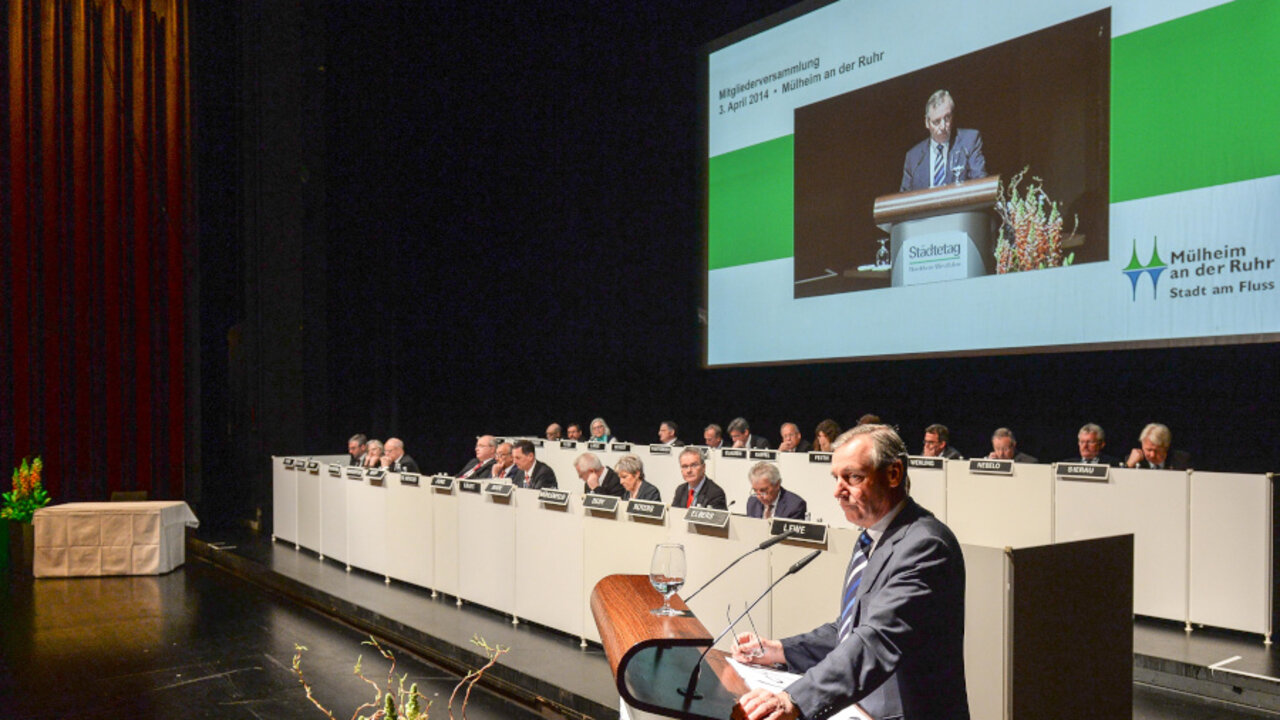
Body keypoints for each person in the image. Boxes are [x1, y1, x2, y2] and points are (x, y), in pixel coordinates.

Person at [734, 424, 969, 720]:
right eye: (836, 478)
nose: (837, 491)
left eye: (853, 477)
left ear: (894, 474)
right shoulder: (871, 538)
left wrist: (794, 699)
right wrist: (778, 650)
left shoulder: (925, 545)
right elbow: (850, 629)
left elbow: (877, 640)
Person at [899, 89, 987, 193]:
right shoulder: (913, 157)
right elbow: (904, 198)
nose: (943, 126)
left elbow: (981, 185)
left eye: (947, 118)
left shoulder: (969, 141)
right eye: (936, 121)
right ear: (927, 123)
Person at [1124, 423, 1191, 470]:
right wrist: (1129, 465)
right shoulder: (1134, 460)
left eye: (1156, 451)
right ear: (1142, 445)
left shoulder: (1181, 460)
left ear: (1166, 447)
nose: (1152, 455)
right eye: (1148, 450)